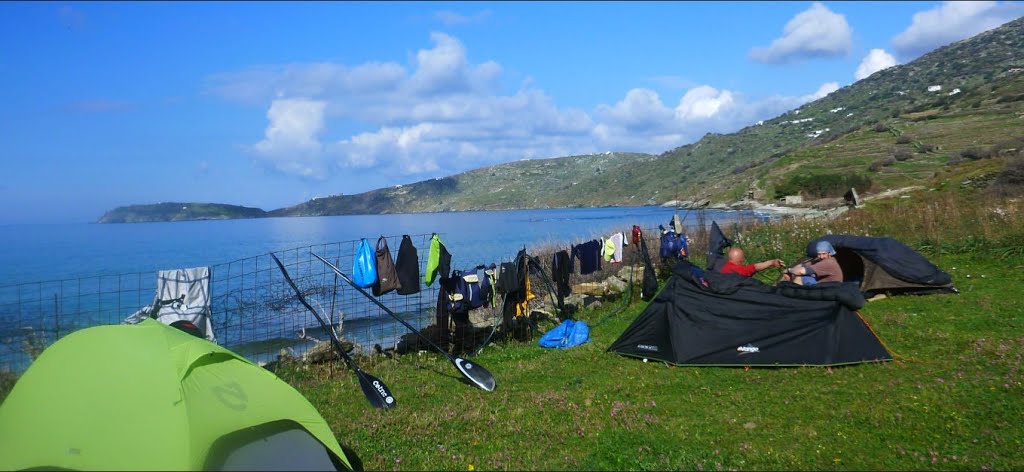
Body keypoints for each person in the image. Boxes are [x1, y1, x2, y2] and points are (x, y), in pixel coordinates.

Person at [719, 247, 785, 277]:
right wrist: (771, 262)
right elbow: (755, 267)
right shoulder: (739, 270)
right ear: (741, 260)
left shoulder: (724, 268)